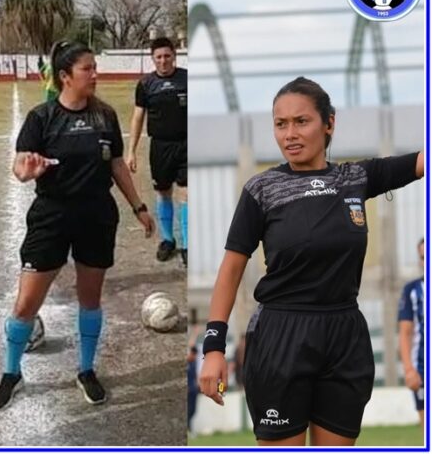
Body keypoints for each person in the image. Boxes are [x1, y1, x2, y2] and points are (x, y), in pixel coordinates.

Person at [198, 76, 424, 446]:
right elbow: (231, 271)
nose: (290, 133)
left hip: (344, 336)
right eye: (280, 124)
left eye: (301, 121)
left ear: (329, 123)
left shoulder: (356, 178)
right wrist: (213, 348)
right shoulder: (261, 190)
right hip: (281, 336)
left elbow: (421, 162)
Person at [0, 41, 155, 410]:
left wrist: (139, 206)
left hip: (96, 216)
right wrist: (27, 172)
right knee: (25, 304)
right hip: (51, 216)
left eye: (95, 67)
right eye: (87, 69)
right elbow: (20, 165)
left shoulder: (105, 117)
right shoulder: (41, 117)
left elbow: (114, 166)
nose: (95, 74)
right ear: (65, 76)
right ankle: (11, 372)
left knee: (90, 299)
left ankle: (85, 370)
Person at [127, 37, 188, 266]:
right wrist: (131, 151)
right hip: (160, 146)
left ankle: (187, 244)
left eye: (167, 56)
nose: (163, 61)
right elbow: (137, 117)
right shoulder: (145, 85)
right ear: (153, 59)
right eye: (159, 57)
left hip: (186, 144)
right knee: (163, 193)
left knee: (186, 193)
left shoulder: (187, 79)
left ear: (175, 56)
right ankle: (168, 240)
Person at [398, 237, 425, 426]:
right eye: (423, 257)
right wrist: (409, 370)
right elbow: (405, 332)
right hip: (424, 369)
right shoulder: (412, 290)